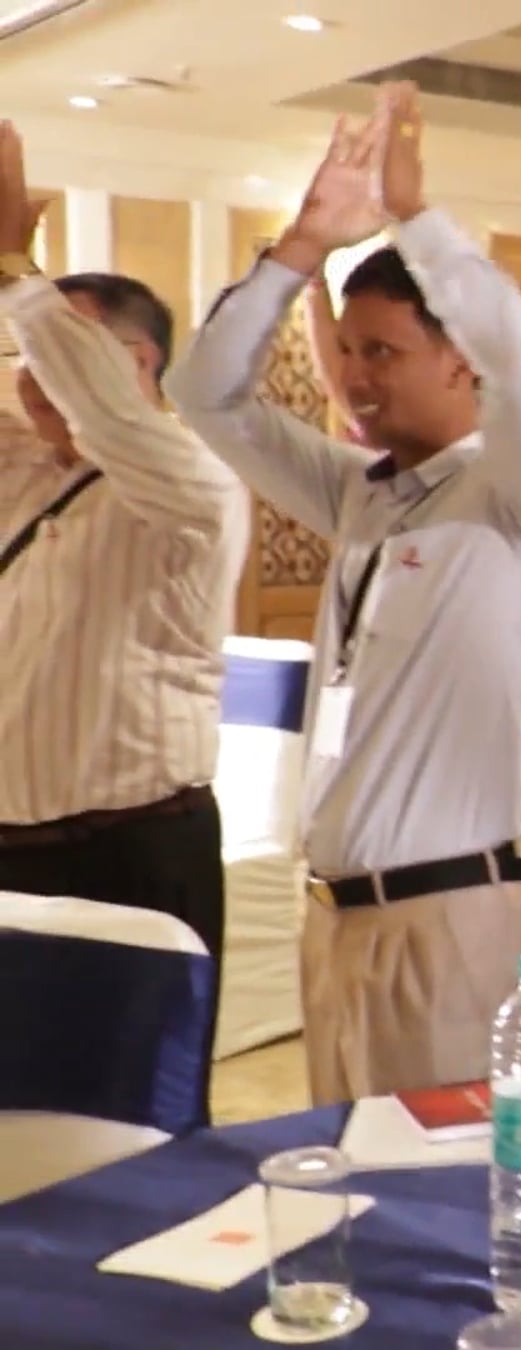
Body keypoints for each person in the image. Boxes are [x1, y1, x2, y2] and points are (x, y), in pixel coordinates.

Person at [166, 84, 521, 1104]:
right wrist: (303, 247)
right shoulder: (362, 493)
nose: (354, 377)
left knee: (451, 1188)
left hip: (449, 924)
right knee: (350, 1177)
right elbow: (203, 395)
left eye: (383, 352)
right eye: (349, 350)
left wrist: (415, 218)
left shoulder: (518, 496)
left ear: (460, 361)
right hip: (336, 921)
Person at [0, 121, 248, 1097]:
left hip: (132, 859)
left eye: (59, 354)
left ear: (138, 366)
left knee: (130, 1126)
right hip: (12, 863)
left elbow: (107, 414)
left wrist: (17, 269)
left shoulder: (190, 489)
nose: (34, 375)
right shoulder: (25, 476)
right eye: (27, 356)